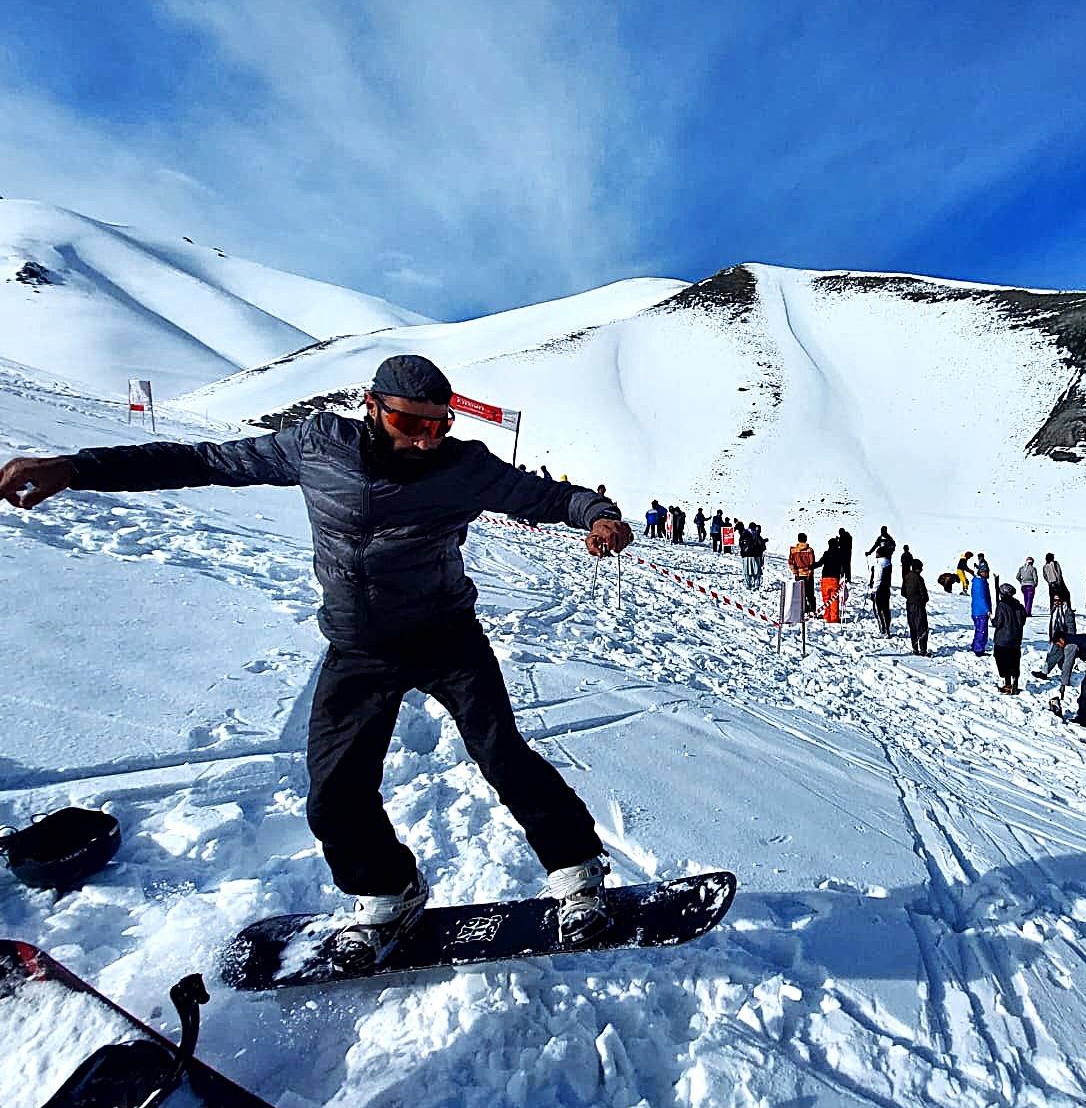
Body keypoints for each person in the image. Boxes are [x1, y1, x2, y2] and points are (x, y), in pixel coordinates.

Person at [0, 354, 633, 962]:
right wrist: (77, 468)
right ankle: (389, 892)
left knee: (502, 753)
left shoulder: (466, 467)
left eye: (439, 425)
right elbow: (204, 460)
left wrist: (599, 515)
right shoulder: (316, 446)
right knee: (335, 792)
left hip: (445, 636)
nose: (425, 440)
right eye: (410, 423)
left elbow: (551, 498)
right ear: (371, 407)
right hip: (359, 647)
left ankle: (577, 874)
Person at [1033, 593, 1079, 680]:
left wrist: (1068, 640)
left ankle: (1044, 673)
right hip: (1055, 638)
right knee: (1061, 659)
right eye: (1055, 600)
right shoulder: (1054, 610)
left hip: (1062, 639)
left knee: (1052, 656)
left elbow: (1071, 627)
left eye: (1058, 600)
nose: (1056, 602)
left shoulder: (1067, 612)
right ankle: (1067, 673)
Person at [991, 583, 1027, 693]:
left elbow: (998, 622)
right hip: (1016, 639)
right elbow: (1023, 621)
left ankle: (1007, 684)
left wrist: (992, 619)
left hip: (1003, 640)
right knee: (1014, 662)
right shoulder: (1019, 605)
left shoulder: (1002, 605)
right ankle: (1015, 682)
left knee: (1002, 661)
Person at [902, 558, 931, 655]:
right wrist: (924, 600)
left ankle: (915, 649)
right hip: (919, 605)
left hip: (909, 604)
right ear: (918, 568)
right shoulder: (919, 578)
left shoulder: (906, 577)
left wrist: (910, 597)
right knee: (922, 627)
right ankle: (923, 650)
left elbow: (903, 592)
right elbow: (924, 594)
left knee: (913, 627)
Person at [817, 535, 848, 623]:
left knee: (826, 599)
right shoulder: (840, 554)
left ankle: (827, 616)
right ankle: (834, 618)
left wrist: (810, 567)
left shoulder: (826, 554)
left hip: (825, 579)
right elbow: (844, 566)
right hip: (834, 579)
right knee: (834, 600)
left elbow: (819, 563)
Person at [788, 533, 817, 615]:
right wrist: (809, 573)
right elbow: (812, 563)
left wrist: (795, 572)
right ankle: (812, 610)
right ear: (806, 539)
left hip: (799, 574)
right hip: (808, 575)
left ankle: (803, 609)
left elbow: (791, 562)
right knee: (810, 594)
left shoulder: (793, 550)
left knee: (801, 593)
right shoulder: (810, 550)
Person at [970, 568, 992, 655]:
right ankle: (978, 649)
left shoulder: (977, 581)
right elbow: (981, 598)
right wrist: (987, 610)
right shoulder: (980, 583)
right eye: (984, 572)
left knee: (978, 630)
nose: (986, 574)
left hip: (976, 611)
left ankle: (975, 645)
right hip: (980, 611)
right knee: (982, 631)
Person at [871, 552, 893, 636]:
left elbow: (877, 579)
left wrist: (873, 591)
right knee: (886, 609)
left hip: (879, 589)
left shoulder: (879, 564)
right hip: (886, 589)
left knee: (879, 610)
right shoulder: (888, 563)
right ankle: (887, 628)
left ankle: (883, 630)